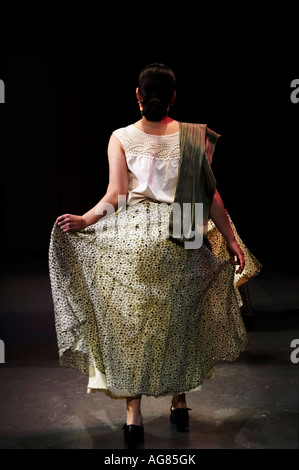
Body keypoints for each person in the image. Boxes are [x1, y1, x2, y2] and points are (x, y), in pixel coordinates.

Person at [49, 63, 261, 449]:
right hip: (182, 234)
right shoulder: (196, 136)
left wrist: (84, 219)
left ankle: (134, 415)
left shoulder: (120, 136)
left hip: (135, 239)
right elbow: (210, 196)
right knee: (180, 322)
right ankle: (180, 403)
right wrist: (230, 239)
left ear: (137, 95)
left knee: (135, 328)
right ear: (174, 96)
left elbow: (116, 196)